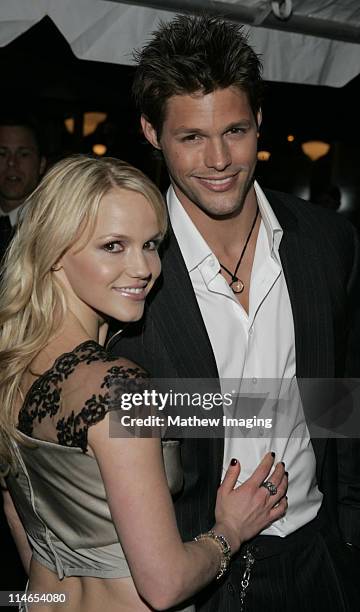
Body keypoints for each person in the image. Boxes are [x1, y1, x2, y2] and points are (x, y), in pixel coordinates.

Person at [109, 14, 360, 612]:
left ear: (260, 122)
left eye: (236, 130)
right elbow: (118, 413)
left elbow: (340, 402)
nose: (219, 159)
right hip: (199, 579)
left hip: (323, 559)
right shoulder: (124, 273)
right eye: (191, 137)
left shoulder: (329, 244)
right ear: (151, 132)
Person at [0, 154, 288, 612]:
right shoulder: (119, 386)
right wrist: (230, 530)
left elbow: (20, 517)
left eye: (151, 244)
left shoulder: (13, 365)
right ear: (54, 251)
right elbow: (164, 585)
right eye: (113, 245)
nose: (143, 268)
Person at [0, 118, 46, 261]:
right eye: (2, 154)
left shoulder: (53, 227)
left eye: (23, 154)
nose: (12, 163)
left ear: (41, 165)